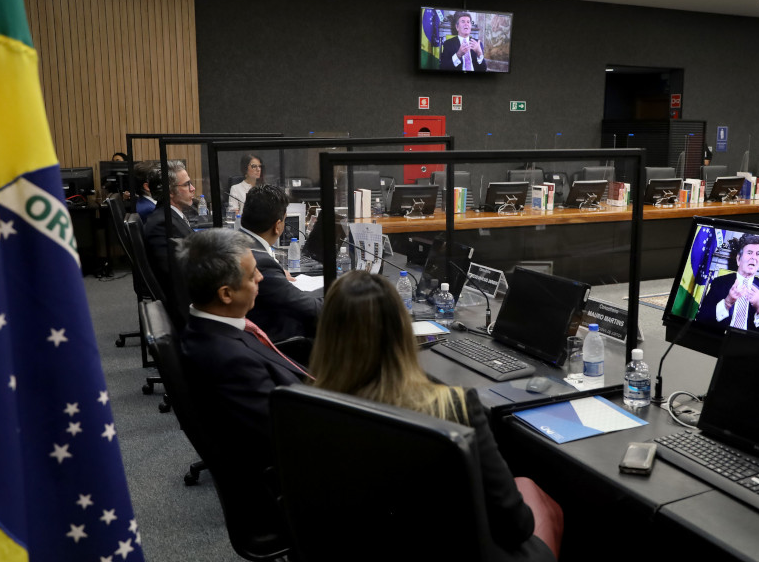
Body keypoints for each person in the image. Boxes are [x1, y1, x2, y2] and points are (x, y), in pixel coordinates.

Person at [309, 271, 562, 560]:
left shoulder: (306, 408)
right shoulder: (455, 407)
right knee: (540, 502)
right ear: (403, 333)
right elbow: (516, 526)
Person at [176, 229, 312, 538]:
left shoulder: (215, 329)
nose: (261, 279)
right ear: (226, 294)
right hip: (295, 481)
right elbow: (290, 436)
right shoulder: (226, 358)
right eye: (252, 276)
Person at [240, 185, 323, 341]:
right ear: (278, 226)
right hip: (279, 340)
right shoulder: (262, 263)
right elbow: (311, 308)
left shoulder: (238, 241)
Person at [696, 234, 759, 334]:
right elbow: (701, 319)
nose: (754, 258)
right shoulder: (719, 283)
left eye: (758, 254)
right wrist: (727, 303)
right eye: (749, 253)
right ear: (738, 259)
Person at [143, 160, 195, 282]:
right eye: (187, 184)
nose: (193, 188)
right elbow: (173, 274)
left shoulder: (169, 216)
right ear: (170, 191)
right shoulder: (161, 224)